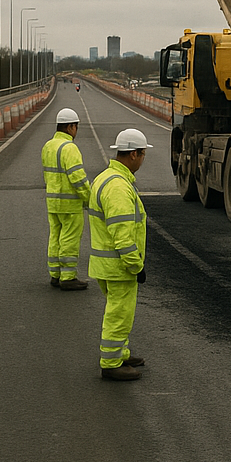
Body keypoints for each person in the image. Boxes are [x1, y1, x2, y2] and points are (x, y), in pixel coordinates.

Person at [88, 128, 152, 381]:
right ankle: (112, 362)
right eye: (143, 154)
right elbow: (123, 235)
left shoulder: (106, 178)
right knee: (119, 313)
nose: (143, 159)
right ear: (134, 154)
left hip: (106, 263)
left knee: (120, 312)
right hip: (119, 266)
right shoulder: (118, 188)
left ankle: (120, 352)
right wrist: (136, 266)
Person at [41, 107, 92, 290]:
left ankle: (55, 274)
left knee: (55, 237)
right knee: (69, 239)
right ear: (71, 127)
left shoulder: (48, 146)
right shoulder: (70, 148)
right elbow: (78, 178)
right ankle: (68, 277)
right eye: (76, 127)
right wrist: (88, 199)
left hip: (52, 201)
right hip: (70, 204)